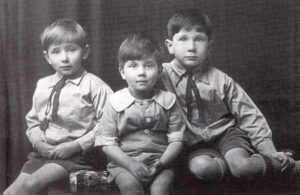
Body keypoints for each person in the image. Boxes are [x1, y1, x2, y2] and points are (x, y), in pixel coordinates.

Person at [159, 9, 300, 182]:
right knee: (202, 168)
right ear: (170, 46)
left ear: (209, 46)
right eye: (183, 39)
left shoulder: (220, 79)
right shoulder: (160, 74)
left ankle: (289, 166)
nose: (191, 47)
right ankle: (235, 169)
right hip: (194, 144)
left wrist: (268, 150)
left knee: (242, 167)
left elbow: (249, 115)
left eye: (199, 39)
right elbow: (135, 76)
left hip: (226, 134)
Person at [4, 18, 112, 195]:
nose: (64, 58)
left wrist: (76, 145)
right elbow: (33, 121)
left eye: (71, 50)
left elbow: (108, 124)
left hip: (78, 155)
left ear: (85, 52)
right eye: (56, 52)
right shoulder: (43, 85)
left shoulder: (95, 86)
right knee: (11, 193)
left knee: (32, 185)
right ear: (47, 57)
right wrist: (38, 142)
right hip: (44, 153)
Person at [94, 32, 185, 195]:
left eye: (148, 65)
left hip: (161, 162)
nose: (141, 72)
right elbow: (107, 144)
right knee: (131, 188)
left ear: (159, 70)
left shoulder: (168, 101)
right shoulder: (115, 102)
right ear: (122, 72)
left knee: (160, 189)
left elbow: (177, 140)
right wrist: (130, 164)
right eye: (133, 66)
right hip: (124, 164)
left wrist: (161, 163)